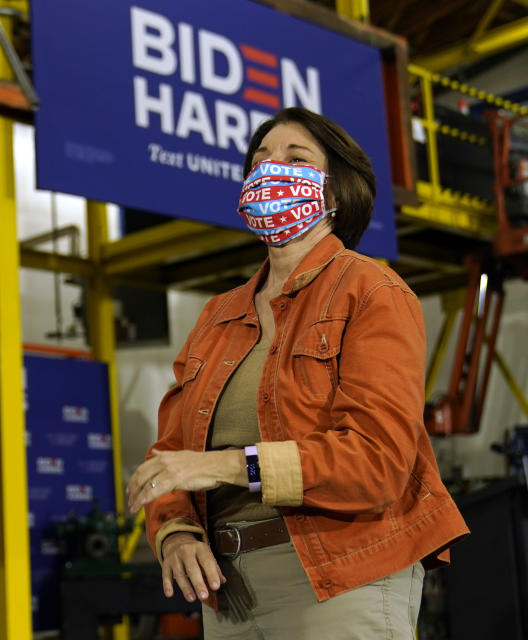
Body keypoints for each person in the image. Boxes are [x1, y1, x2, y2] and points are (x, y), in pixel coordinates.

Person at [125, 107, 469, 639]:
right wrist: (176, 533)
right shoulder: (218, 314)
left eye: (295, 157)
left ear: (334, 195)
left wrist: (225, 466)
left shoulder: (371, 290)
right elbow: (172, 459)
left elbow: (378, 461)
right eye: (260, 157)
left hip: (340, 575)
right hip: (226, 590)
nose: (270, 168)